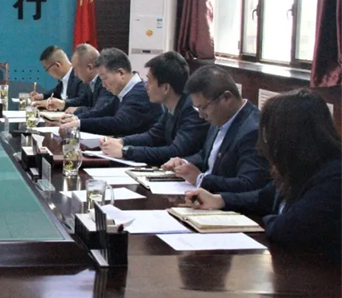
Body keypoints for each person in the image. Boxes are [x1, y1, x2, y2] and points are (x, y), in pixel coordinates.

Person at [187, 89, 341, 264]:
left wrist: (267, 220)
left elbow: (285, 229)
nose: (264, 144)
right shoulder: (300, 165)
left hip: (323, 272)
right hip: (293, 262)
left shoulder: (333, 177)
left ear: (291, 137)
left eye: (270, 135)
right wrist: (220, 200)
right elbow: (263, 197)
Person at [162, 65, 269, 193]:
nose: (201, 115)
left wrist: (200, 179)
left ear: (226, 98)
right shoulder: (219, 117)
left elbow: (248, 184)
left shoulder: (252, 131)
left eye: (203, 107)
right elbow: (206, 156)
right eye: (197, 108)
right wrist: (184, 162)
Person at [100, 51, 209, 165]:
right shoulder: (172, 106)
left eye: (150, 81)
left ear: (166, 88)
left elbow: (175, 152)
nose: (145, 86)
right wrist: (121, 141)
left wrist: (125, 152)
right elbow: (153, 136)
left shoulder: (192, 110)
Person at [58, 48, 162, 137]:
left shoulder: (140, 94)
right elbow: (102, 112)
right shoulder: (124, 93)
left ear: (121, 73)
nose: (103, 85)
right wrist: (75, 118)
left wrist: (79, 124)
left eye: (104, 78)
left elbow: (118, 123)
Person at [29, 45, 88, 111]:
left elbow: (82, 101)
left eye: (47, 69)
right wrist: (41, 96)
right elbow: (56, 92)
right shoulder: (62, 80)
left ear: (57, 65)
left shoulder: (80, 77)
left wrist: (61, 103)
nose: (48, 73)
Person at [65, 43, 115, 117]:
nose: (75, 74)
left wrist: (78, 110)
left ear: (90, 68)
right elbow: (82, 101)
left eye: (76, 69)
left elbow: (99, 111)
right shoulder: (91, 82)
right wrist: (64, 103)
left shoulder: (105, 83)